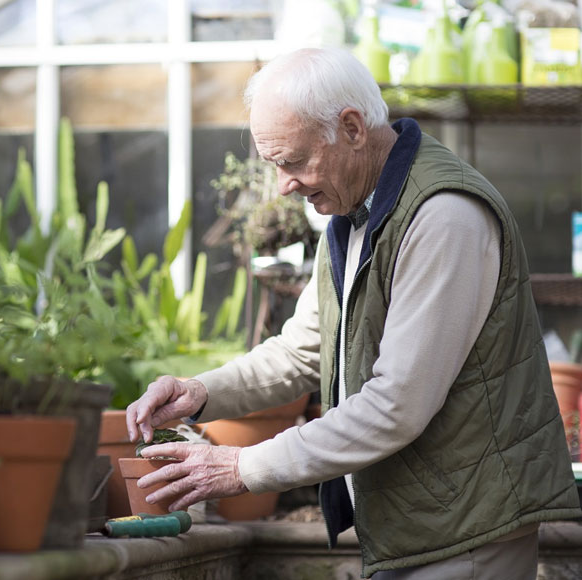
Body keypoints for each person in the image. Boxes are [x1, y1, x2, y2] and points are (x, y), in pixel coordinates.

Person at [125, 47, 581, 579]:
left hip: (467, 530)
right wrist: (200, 393)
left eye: (293, 161)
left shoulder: (444, 215)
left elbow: (396, 404)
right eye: (275, 166)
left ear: (352, 128)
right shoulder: (352, 214)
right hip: (423, 522)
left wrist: (242, 466)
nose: (284, 186)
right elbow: (303, 350)